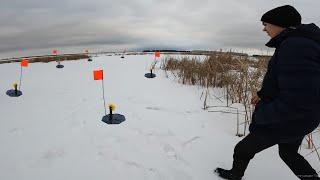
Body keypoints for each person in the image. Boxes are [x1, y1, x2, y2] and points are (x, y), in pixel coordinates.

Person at [215, 5, 320, 180]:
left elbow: (300, 97)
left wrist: (264, 115)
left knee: (243, 149)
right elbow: (291, 81)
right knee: (288, 153)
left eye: (266, 24)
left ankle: (234, 176)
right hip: (301, 117)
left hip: (288, 117)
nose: (264, 29)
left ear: (280, 24)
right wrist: (263, 94)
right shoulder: (298, 43)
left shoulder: (295, 46)